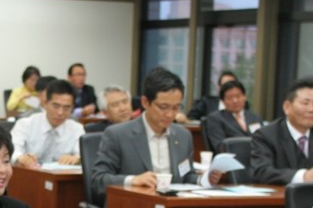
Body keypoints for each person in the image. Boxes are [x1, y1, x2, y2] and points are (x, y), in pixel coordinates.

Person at [91, 68, 223, 200]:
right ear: (145, 102)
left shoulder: (183, 136)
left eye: (176, 107)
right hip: (133, 206)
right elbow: (98, 181)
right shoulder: (117, 134)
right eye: (163, 107)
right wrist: (133, 180)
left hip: (171, 205)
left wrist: (204, 179)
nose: (170, 114)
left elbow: (186, 176)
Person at [250, 77, 313, 185]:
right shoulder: (266, 135)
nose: (311, 109)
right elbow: (262, 172)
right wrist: (303, 176)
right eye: (305, 103)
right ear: (287, 107)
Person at [10, 79, 84, 168]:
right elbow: (12, 151)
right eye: (56, 106)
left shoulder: (77, 129)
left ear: (72, 107)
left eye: (66, 108)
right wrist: (20, 158)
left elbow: (83, 155)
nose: (60, 112)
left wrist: (77, 159)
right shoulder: (25, 124)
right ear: (45, 103)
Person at [203, 79, 262, 152]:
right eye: (230, 98)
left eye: (238, 96)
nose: (235, 101)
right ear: (223, 101)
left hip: (257, 156)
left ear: (245, 96)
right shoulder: (215, 119)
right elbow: (219, 146)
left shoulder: (255, 117)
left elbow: (263, 142)